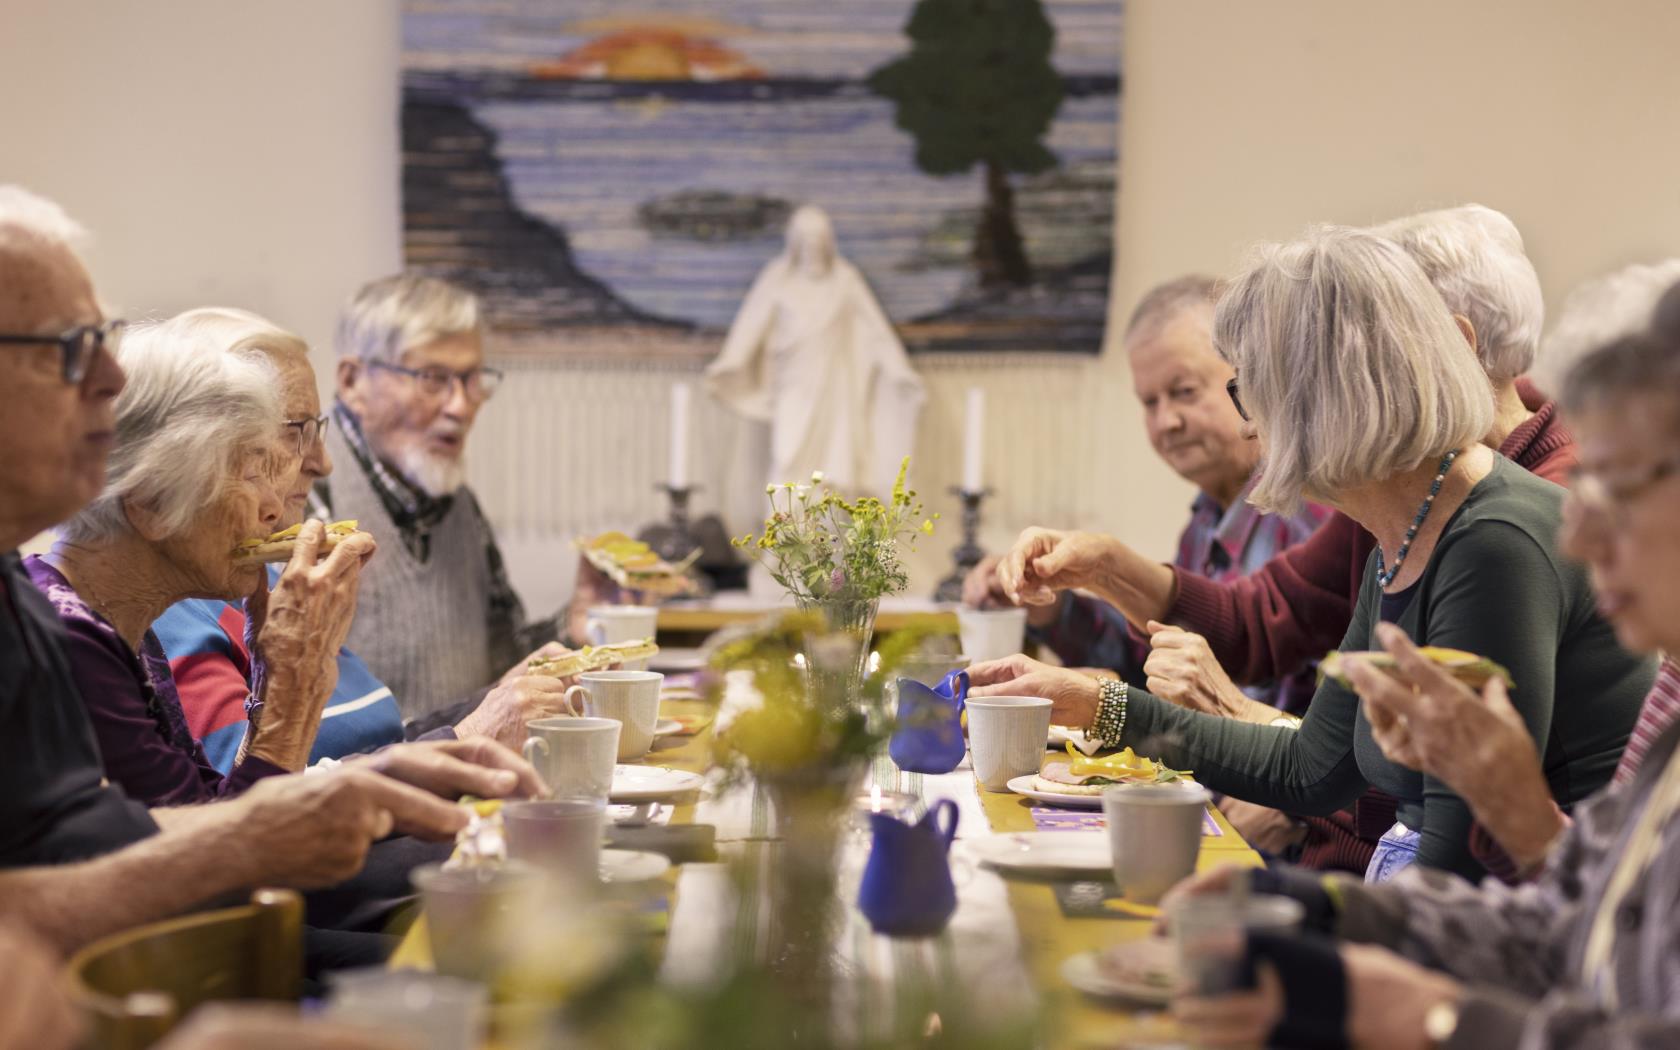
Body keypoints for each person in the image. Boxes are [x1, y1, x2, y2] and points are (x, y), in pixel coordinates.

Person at [972, 225, 1653, 882]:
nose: (1248, 420)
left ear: (1319, 396)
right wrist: (1097, 704)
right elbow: (1310, 767)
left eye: (1248, 388)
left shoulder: (1492, 543)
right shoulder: (1412, 522)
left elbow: (1457, 865)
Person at [0, 184, 538, 958]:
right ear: (150, 502)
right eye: (70, 349)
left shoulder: (65, 610)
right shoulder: (81, 620)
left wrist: (369, 773)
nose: (110, 381)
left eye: (105, 340)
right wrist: (296, 684)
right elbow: (203, 877)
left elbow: (155, 830)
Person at [1170, 313, 1680, 1050]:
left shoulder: (1493, 537)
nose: (1580, 534)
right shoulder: (1671, 701)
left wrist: (1436, 1019)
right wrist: (1327, 911)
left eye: (1620, 488)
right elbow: (1575, 927)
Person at [146, 311, 580, 762]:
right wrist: (469, 740)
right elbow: (251, 803)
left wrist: (501, 700)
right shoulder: (176, 610)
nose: (322, 462)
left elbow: (384, 742)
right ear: (201, 448)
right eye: (295, 432)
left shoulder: (266, 577)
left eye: (318, 429)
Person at [962, 275, 1329, 716]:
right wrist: (1050, 607)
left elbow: (1261, 693)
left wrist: (1107, 569)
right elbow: (1154, 665)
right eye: (1149, 402)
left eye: (1184, 392)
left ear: (1250, 380)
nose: (1166, 421)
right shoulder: (1206, 518)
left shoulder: (1307, 511)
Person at [317, 273, 603, 720]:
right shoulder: (308, 501)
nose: (461, 406)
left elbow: (503, 671)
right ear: (353, 382)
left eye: (472, 379)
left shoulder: (457, 502)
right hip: (363, 784)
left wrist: (575, 626)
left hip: (469, 780)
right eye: (433, 378)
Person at [705, 204, 925, 498]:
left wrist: (900, 372)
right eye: (806, 240)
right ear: (794, 243)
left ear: (828, 242)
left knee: (834, 466)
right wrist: (729, 363)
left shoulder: (844, 280)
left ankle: (829, 539)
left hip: (834, 389)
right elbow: (751, 326)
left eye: (818, 239)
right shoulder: (778, 279)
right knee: (787, 458)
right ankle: (783, 539)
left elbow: (876, 332)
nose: (813, 247)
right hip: (792, 386)